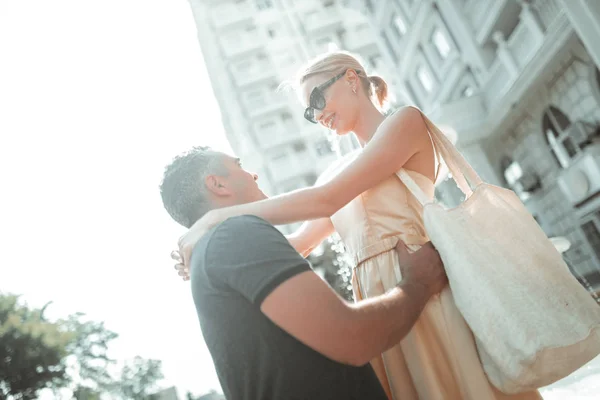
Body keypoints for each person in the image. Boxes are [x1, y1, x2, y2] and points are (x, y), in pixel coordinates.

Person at [172, 52, 543, 400]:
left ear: (352, 79)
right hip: (381, 308)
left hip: (426, 288)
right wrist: (211, 248)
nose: (317, 116)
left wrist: (215, 217)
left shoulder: (405, 123)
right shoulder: (337, 172)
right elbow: (299, 242)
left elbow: (327, 200)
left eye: (317, 100)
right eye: (308, 112)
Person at [159, 147, 448, 400]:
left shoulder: (218, 248)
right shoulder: (234, 235)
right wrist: (418, 283)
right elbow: (351, 338)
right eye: (240, 166)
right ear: (218, 184)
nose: (254, 175)